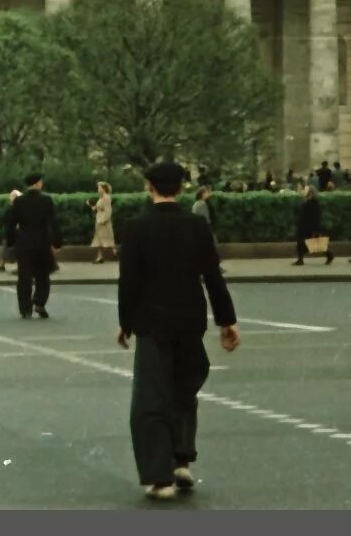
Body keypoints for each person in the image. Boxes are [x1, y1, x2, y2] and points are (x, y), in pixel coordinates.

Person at [117, 160, 240, 502]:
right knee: (185, 388)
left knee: (151, 398)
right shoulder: (197, 226)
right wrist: (227, 321)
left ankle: (159, 477)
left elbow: (129, 283)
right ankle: (182, 457)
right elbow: (213, 277)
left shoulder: (136, 228)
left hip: (152, 321)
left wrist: (125, 323)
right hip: (190, 319)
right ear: (182, 188)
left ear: (149, 188)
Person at [6, 173, 62, 319]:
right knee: (43, 276)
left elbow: (11, 223)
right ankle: (39, 301)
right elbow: (53, 222)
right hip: (42, 242)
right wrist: (57, 241)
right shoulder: (46, 200)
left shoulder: (19, 201)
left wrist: (10, 241)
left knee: (24, 277)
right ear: (37, 184)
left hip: (24, 243)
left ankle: (25, 309)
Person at [292, 183, 333, 265]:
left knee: (315, 243)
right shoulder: (307, 201)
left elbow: (315, 217)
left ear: (310, 192)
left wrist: (315, 230)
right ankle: (300, 259)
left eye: (306, 190)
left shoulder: (314, 203)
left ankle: (329, 255)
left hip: (308, 227)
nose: (304, 191)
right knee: (303, 243)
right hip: (304, 226)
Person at [0, 189, 21, 273]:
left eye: (12, 196)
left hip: (15, 232)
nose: (10, 197)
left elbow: (8, 218)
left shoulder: (16, 207)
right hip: (9, 231)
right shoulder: (11, 206)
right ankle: (2, 265)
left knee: (16, 250)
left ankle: (18, 267)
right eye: (11, 195)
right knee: (6, 248)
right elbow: (5, 219)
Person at [90, 182, 118, 264]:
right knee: (100, 238)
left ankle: (114, 252)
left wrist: (104, 220)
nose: (98, 190)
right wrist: (93, 207)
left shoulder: (106, 198)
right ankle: (100, 257)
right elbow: (99, 208)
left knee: (106, 237)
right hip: (99, 220)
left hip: (103, 221)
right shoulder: (101, 198)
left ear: (103, 189)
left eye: (99, 188)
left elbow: (108, 210)